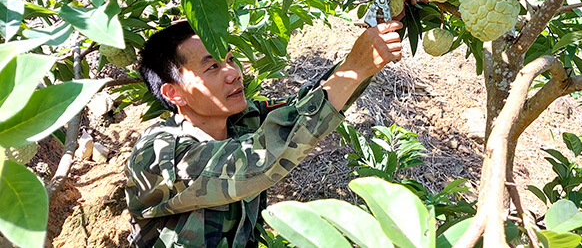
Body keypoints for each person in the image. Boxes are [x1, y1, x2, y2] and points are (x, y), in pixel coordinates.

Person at [124, 19, 403, 247]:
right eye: (212, 66)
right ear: (174, 93)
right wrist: (355, 67)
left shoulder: (243, 120)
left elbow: (309, 105)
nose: (233, 72)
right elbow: (255, 163)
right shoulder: (160, 153)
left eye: (230, 58)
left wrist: (379, 32)